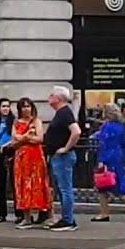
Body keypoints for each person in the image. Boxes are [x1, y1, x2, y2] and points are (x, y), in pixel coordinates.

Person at [92, 103, 125, 222]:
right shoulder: (121, 127)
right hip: (119, 156)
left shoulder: (106, 127)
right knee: (117, 182)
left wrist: (101, 161)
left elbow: (104, 145)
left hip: (108, 157)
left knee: (103, 185)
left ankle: (105, 213)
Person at [11, 97, 52, 229]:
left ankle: (46, 214)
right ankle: (26, 217)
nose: (26, 109)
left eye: (28, 106)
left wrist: (22, 138)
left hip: (35, 157)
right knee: (22, 185)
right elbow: (13, 142)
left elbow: (39, 139)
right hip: (21, 158)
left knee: (39, 183)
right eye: (23, 107)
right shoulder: (16, 123)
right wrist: (26, 138)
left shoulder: (36, 121)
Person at [44, 86, 81, 231]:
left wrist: (66, 148)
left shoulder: (65, 113)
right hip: (57, 156)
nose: (49, 97)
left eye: (51, 95)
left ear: (58, 98)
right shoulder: (61, 113)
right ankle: (66, 217)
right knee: (61, 188)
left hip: (63, 157)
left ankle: (68, 220)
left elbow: (76, 132)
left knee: (65, 188)